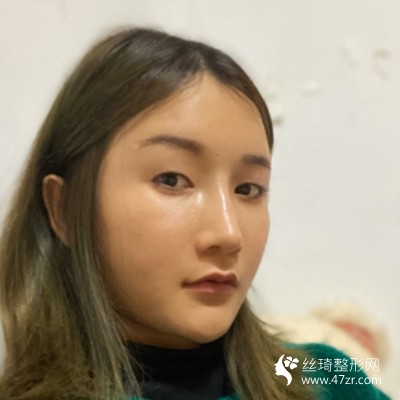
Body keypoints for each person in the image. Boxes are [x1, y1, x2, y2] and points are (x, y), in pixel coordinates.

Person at [0, 27, 390, 400]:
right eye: (171, 179)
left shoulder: (326, 378)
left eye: (248, 189)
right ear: (65, 209)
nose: (229, 233)